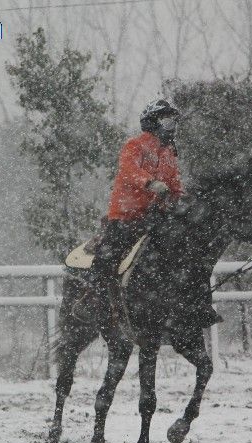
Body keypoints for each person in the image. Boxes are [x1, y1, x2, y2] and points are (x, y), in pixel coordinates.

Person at [72, 99, 184, 323]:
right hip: (126, 216)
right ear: (153, 122)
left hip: (156, 217)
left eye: (173, 122)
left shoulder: (169, 154)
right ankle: (94, 297)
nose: (172, 127)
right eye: (167, 121)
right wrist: (150, 183)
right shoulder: (135, 145)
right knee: (109, 253)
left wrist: (183, 199)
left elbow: (175, 185)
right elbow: (128, 169)